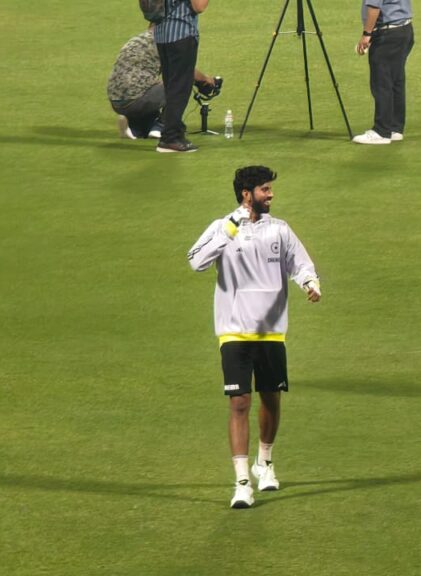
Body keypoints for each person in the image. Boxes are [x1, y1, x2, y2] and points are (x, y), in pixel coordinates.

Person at [187, 166, 322, 508]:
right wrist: (230, 228)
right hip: (233, 329)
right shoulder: (223, 227)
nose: (271, 194)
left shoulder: (280, 230)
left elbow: (300, 263)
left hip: (272, 332)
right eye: (265, 189)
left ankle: (265, 462)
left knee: (271, 399)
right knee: (239, 402)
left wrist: (310, 283)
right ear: (247, 194)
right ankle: (242, 481)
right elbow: (196, 261)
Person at [107, 23, 216, 140]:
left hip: (116, 100)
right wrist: (207, 80)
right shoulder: (163, 42)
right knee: (181, 83)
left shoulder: (137, 39)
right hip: (138, 99)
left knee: (149, 87)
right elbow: (186, 70)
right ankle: (161, 126)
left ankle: (134, 129)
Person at [353, 0, 414, 145]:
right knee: (396, 81)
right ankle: (395, 128)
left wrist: (367, 34)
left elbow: (374, 7)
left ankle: (381, 131)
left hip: (388, 34)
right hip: (404, 30)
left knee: (382, 83)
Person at [155, 0, 209, 153]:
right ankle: (170, 138)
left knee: (172, 87)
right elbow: (199, 6)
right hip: (181, 34)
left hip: (161, 36)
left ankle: (175, 131)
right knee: (179, 89)